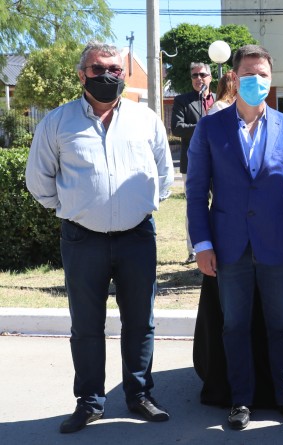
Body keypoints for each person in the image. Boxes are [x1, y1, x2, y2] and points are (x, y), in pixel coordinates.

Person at [25, 41, 174, 434]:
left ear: (124, 74)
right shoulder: (57, 122)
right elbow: (39, 180)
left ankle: (139, 395)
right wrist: (73, 208)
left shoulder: (145, 120)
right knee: (86, 325)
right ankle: (90, 402)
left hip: (137, 237)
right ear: (82, 75)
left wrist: (137, 206)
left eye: (115, 69)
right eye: (97, 69)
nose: (107, 75)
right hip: (82, 239)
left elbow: (163, 175)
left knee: (140, 322)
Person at [185, 44, 283, 431]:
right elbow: (196, 191)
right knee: (235, 326)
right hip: (229, 246)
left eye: (263, 75)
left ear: (271, 80)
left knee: (282, 325)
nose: (256, 80)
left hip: (279, 244)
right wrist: (202, 244)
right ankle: (240, 399)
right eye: (248, 74)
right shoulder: (210, 127)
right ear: (234, 78)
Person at [171, 62, 215, 263]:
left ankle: (218, 243)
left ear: (210, 77)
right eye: (195, 75)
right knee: (195, 207)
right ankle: (194, 249)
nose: (199, 78)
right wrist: (204, 126)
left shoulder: (219, 101)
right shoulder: (182, 101)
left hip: (220, 163)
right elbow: (177, 128)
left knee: (222, 204)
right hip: (192, 163)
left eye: (202, 74)